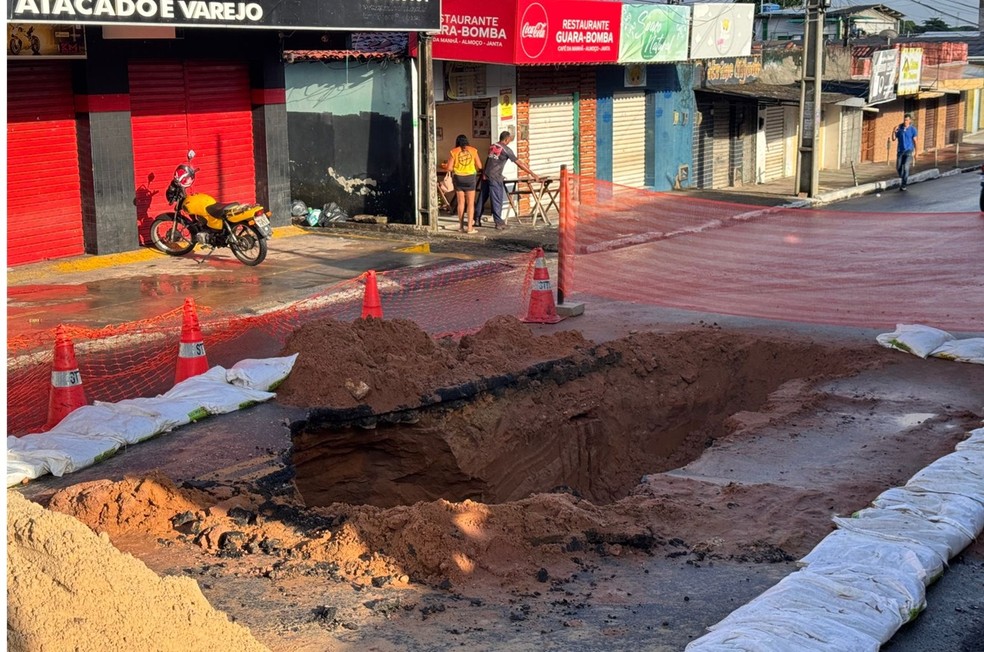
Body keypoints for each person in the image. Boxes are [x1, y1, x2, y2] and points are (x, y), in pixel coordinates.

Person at [477, 131, 540, 230]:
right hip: (495, 177)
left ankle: (476, 219)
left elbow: (492, 161)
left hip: (486, 175)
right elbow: (519, 163)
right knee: (497, 199)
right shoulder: (506, 150)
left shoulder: (492, 146)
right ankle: (498, 222)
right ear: (506, 139)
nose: (510, 141)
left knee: (482, 198)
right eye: (509, 140)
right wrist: (532, 174)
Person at [444, 134, 482, 233]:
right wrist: (473, 169)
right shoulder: (473, 150)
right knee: (470, 203)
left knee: (461, 203)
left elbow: (449, 168)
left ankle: (461, 227)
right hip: (470, 178)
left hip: (458, 178)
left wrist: (457, 168)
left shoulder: (454, 151)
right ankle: (470, 228)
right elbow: (479, 165)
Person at [891, 113, 918, 191]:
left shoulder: (913, 129)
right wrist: (893, 131)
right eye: (904, 120)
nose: (905, 121)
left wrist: (916, 152)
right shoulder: (899, 128)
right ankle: (903, 178)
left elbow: (915, 141)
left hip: (909, 151)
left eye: (907, 120)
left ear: (909, 121)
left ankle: (903, 184)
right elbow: (893, 139)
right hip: (900, 151)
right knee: (898, 167)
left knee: (906, 167)